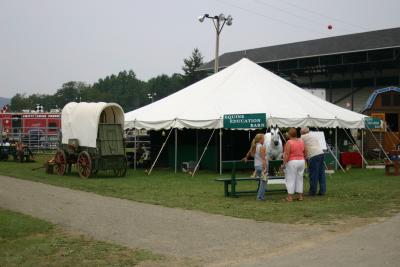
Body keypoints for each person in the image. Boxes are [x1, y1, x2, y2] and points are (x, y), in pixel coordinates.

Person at [301, 127, 326, 196]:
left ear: (303, 132)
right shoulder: (313, 135)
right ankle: (322, 191)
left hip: (313, 156)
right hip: (321, 153)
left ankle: (312, 191)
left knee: (313, 174)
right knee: (321, 173)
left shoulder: (302, 137)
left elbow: (300, 146)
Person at [283, 128, 306, 202]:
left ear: (289, 134)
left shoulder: (289, 142)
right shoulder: (301, 141)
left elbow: (286, 154)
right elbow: (306, 151)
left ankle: (290, 197)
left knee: (290, 178)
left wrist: (284, 164)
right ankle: (300, 196)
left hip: (292, 162)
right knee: (300, 179)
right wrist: (303, 158)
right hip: (301, 161)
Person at [242, 133, 267, 201]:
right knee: (263, 181)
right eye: (263, 138)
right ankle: (260, 197)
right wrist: (265, 168)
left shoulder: (254, 146)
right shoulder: (261, 147)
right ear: (260, 139)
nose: (264, 139)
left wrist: (246, 157)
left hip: (256, 166)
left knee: (262, 181)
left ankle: (261, 196)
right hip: (261, 166)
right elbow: (263, 158)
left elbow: (249, 153)